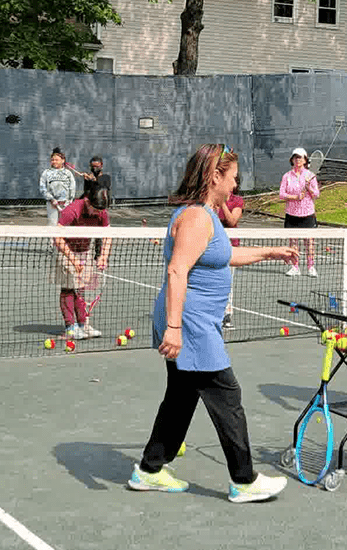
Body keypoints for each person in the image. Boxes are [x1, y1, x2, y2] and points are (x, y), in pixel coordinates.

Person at [130, 143, 295, 502]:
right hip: (190, 325)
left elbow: (224, 255)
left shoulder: (205, 215)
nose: (236, 186)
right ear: (214, 175)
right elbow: (177, 271)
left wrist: (269, 251)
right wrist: (174, 329)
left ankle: (149, 469)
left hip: (192, 322)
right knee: (226, 394)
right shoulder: (196, 218)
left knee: (180, 397)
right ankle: (244, 480)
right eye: (233, 178)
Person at [53, 193, 111, 341]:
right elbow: (57, 236)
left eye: (101, 211)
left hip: (85, 250)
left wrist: (103, 256)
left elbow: (107, 235)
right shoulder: (71, 211)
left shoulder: (101, 211)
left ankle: (83, 325)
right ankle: (70, 328)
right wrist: (72, 259)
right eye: (96, 210)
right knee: (68, 288)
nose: (99, 214)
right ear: (87, 201)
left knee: (81, 288)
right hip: (66, 250)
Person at [278, 147, 319, 277]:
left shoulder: (310, 176)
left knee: (309, 242)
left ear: (305, 160)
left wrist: (309, 189)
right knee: (293, 242)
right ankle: (295, 266)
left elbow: (316, 194)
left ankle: (311, 267)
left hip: (307, 214)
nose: (298, 160)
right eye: (295, 157)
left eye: (300, 157)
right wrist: (295, 197)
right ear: (292, 160)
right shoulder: (287, 176)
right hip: (292, 214)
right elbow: (281, 194)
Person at [216, 175, 245, 330]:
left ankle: (227, 315)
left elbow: (232, 221)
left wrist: (223, 204)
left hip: (231, 247)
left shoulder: (237, 201)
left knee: (227, 282)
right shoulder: (212, 199)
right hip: (213, 245)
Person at [40, 148, 75, 226]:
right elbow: (42, 188)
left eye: (56, 160)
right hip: (52, 204)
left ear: (63, 160)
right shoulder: (46, 173)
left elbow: (72, 187)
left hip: (66, 204)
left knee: (65, 225)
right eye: (52, 160)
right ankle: (53, 239)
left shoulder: (68, 173)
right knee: (52, 225)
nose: (54, 162)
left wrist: (69, 201)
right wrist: (51, 199)